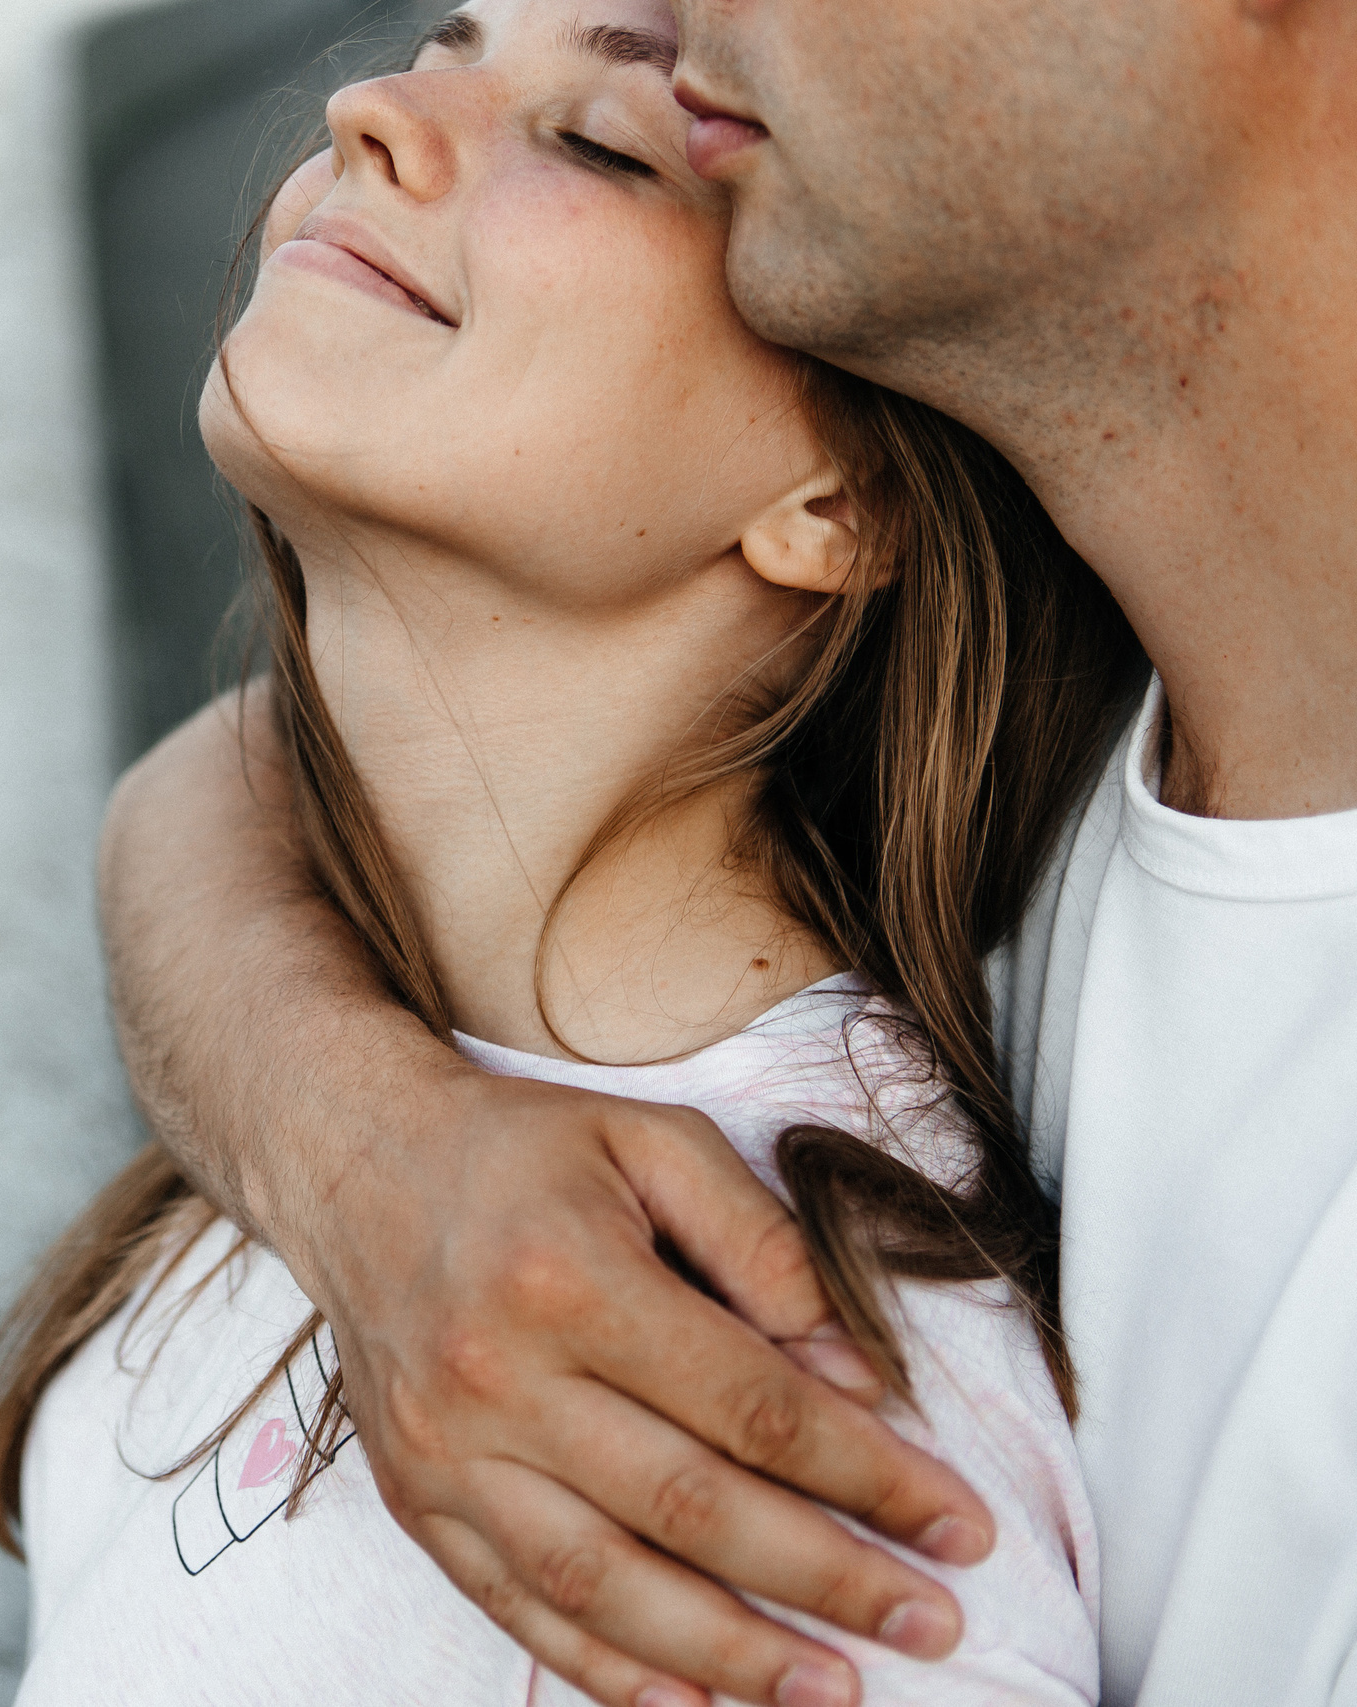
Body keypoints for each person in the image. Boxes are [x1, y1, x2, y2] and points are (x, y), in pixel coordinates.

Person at [87, 0, 1357, 1703]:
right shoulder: (1058, 731)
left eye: (608, 140)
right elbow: (237, 781)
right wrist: (365, 1151)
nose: (371, 106)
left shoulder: (819, 1432)